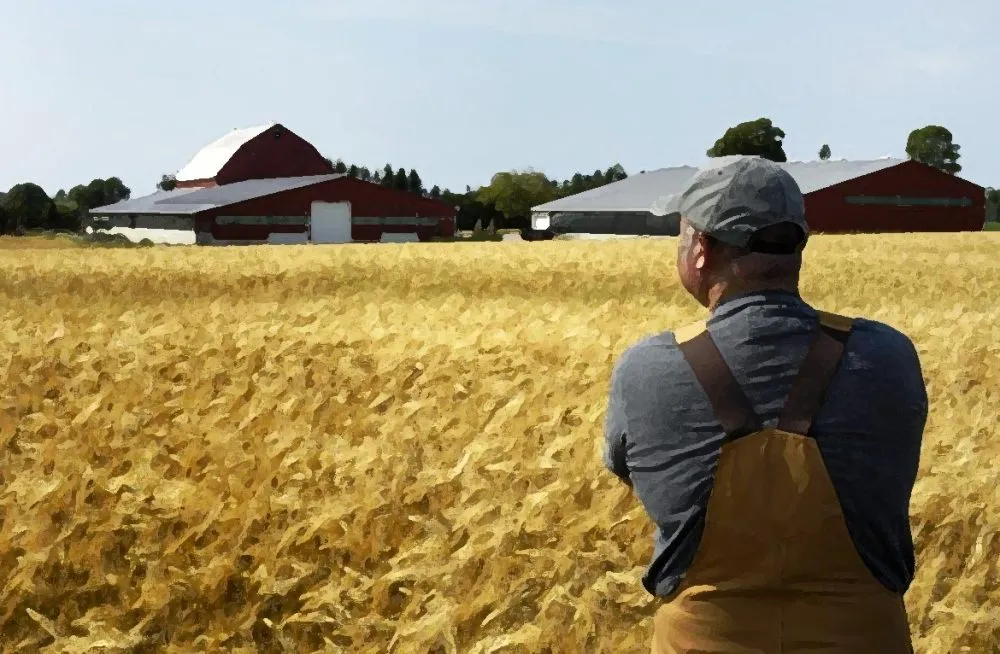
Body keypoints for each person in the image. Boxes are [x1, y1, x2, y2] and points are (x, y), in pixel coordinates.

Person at [602, 156, 927, 653]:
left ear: (702, 249)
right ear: (797, 243)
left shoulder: (646, 369)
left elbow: (632, 470)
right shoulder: (888, 355)